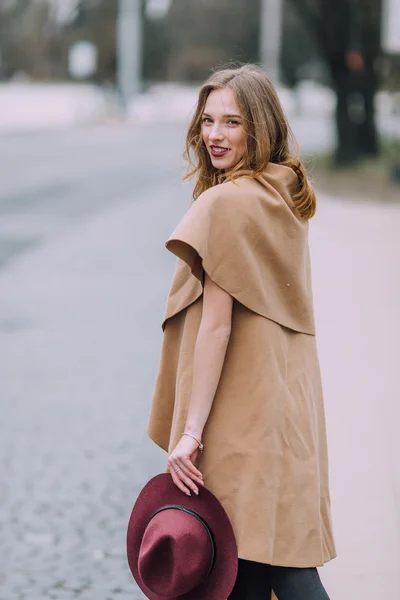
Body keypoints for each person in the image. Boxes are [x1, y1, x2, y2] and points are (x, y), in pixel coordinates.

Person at [147, 64, 336, 600]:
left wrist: (190, 433)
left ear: (260, 129)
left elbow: (216, 329)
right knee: (253, 565)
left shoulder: (225, 204)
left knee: (268, 565)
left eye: (232, 122)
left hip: (238, 413)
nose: (214, 135)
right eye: (207, 121)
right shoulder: (282, 197)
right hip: (286, 408)